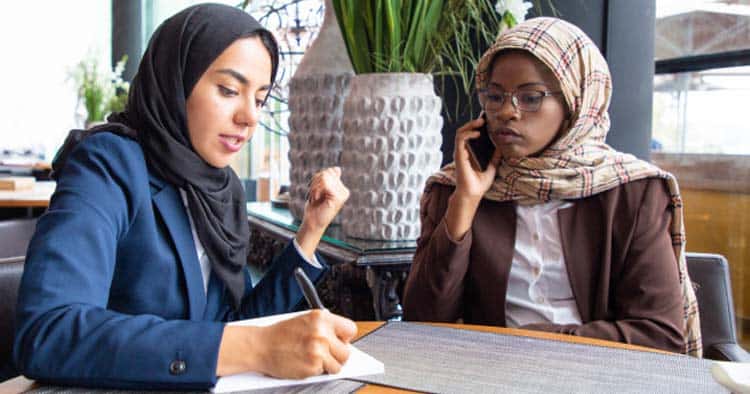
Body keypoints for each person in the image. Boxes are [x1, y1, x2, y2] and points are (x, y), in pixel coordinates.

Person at [13, 4, 356, 390]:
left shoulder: (221, 189)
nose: (249, 117)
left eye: (259, 99)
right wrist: (254, 346)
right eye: (229, 90)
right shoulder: (109, 164)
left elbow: (235, 327)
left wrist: (311, 230)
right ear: (177, 81)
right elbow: (49, 331)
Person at [402, 17, 701, 356]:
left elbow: (660, 337)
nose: (506, 112)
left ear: (575, 102)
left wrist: (540, 338)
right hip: (488, 374)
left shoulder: (633, 192)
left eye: (530, 98)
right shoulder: (457, 187)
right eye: (494, 96)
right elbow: (422, 321)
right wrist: (464, 204)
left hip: (598, 376)